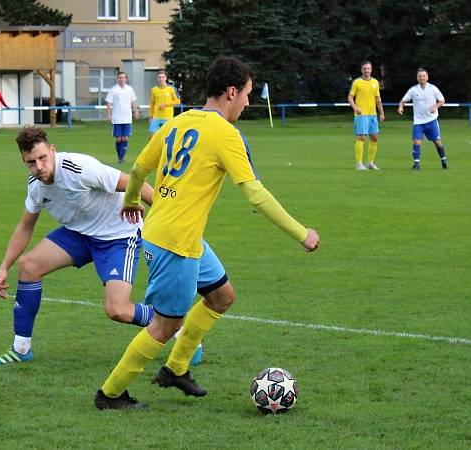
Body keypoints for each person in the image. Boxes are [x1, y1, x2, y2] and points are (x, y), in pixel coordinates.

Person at [93, 56, 320, 410]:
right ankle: (110, 394)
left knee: (221, 297)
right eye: (246, 94)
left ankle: (176, 369)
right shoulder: (226, 135)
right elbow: (255, 194)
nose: (247, 102)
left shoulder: (177, 122)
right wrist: (301, 232)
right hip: (175, 244)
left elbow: (138, 167)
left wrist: (133, 199)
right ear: (231, 91)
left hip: (179, 235)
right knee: (166, 325)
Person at [0, 126, 156, 366]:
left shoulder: (79, 168)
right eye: (31, 162)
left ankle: (172, 322)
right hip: (79, 233)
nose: (40, 167)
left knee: (117, 309)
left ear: (52, 151)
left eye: (43, 158)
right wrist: (4, 267)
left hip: (117, 235)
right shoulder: (35, 185)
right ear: (24, 162)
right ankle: (21, 349)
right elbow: (25, 226)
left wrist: (164, 218)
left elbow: (134, 182)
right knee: (28, 266)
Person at [397, 68, 447, 170]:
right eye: (420, 76)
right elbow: (403, 100)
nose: (422, 78)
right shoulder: (413, 90)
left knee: (437, 142)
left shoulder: (433, 88)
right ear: (417, 78)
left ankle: (443, 160)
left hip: (431, 120)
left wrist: (435, 107)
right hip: (418, 122)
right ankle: (416, 164)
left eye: (424, 76)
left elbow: (442, 100)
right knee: (416, 141)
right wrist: (400, 107)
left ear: (427, 77)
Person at [348, 60, 385, 171]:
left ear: (371, 69)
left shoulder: (375, 82)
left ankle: (370, 163)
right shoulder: (357, 82)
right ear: (361, 70)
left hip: (372, 115)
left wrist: (381, 112)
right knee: (361, 138)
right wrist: (355, 108)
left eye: (368, 69)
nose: (366, 71)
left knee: (374, 138)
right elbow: (350, 97)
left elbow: (378, 99)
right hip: (361, 115)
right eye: (364, 69)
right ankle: (359, 164)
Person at [106, 72, 140, 164]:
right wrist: (108, 115)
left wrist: (136, 111)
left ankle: (121, 158)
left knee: (125, 138)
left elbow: (133, 101)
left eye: (123, 77)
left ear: (126, 79)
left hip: (127, 118)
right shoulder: (113, 90)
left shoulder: (130, 89)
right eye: (120, 77)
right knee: (118, 139)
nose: (121, 79)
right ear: (118, 79)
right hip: (117, 118)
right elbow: (109, 103)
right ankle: (119, 156)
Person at [148, 70, 181, 139]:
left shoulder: (171, 89)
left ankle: (164, 149)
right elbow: (152, 103)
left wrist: (165, 104)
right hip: (156, 117)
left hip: (168, 117)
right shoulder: (154, 90)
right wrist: (151, 116)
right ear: (157, 79)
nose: (161, 79)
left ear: (166, 78)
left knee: (167, 138)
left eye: (163, 77)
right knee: (151, 137)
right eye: (159, 77)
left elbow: (178, 101)